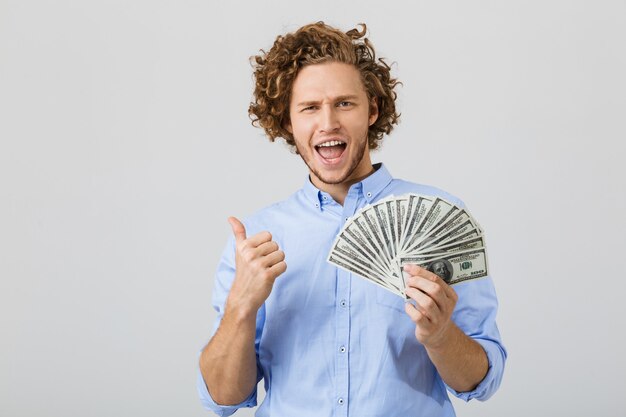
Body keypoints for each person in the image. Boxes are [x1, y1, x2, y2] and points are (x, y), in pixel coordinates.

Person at [197, 22, 506, 417]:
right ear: (289, 122)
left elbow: (481, 381)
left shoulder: (439, 219)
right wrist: (240, 308)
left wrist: (442, 335)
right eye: (309, 107)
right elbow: (223, 398)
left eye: (344, 103)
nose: (328, 123)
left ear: (372, 110)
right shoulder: (256, 240)